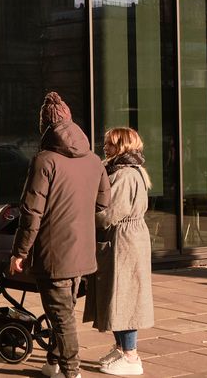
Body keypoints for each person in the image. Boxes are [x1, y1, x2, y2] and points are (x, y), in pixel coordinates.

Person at [8, 92, 111, 378]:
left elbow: (31, 211)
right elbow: (103, 204)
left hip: (54, 252)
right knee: (64, 311)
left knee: (62, 316)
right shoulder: (94, 160)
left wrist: (19, 252)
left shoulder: (44, 160)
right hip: (83, 250)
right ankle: (53, 363)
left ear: (45, 127)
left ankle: (71, 371)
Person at [87, 127, 154, 376]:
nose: (105, 147)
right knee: (118, 295)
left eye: (111, 144)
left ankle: (130, 355)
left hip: (124, 241)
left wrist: (84, 217)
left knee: (124, 297)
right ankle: (121, 349)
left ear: (123, 146)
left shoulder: (124, 175)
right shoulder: (124, 171)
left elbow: (108, 213)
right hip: (124, 239)